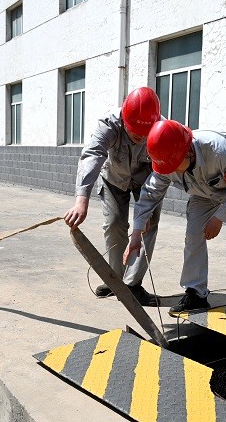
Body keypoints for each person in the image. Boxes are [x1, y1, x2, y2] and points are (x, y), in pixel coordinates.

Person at [122, 120, 226, 320]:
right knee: (193, 235)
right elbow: (149, 195)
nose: (174, 171)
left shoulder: (221, 150)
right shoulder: (167, 161)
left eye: (175, 166)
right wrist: (136, 233)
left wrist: (219, 218)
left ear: (188, 152)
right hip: (202, 192)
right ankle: (196, 293)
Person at [64, 87, 162, 306]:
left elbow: (161, 172)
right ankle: (115, 281)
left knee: (147, 227)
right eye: (134, 132)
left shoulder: (160, 128)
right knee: (114, 224)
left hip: (148, 183)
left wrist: (146, 213)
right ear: (124, 119)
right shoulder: (109, 124)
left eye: (144, 134)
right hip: (114, 178)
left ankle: (132, 284)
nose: (139, 137)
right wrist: (82, 200)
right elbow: (93, 154)